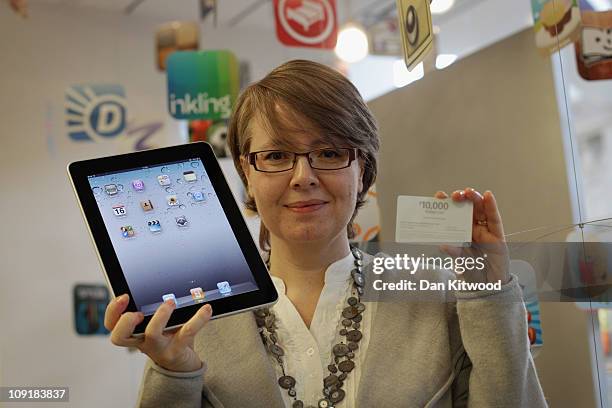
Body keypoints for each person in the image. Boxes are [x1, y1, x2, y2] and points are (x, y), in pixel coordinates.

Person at [104, 60, 547, 407]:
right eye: (276, 155)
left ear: (363, 170)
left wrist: (488, 289)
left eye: (330, 152)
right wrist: (175, 371)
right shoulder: (197, 317)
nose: (303, 176)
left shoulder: (435, 298)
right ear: (247, 171)